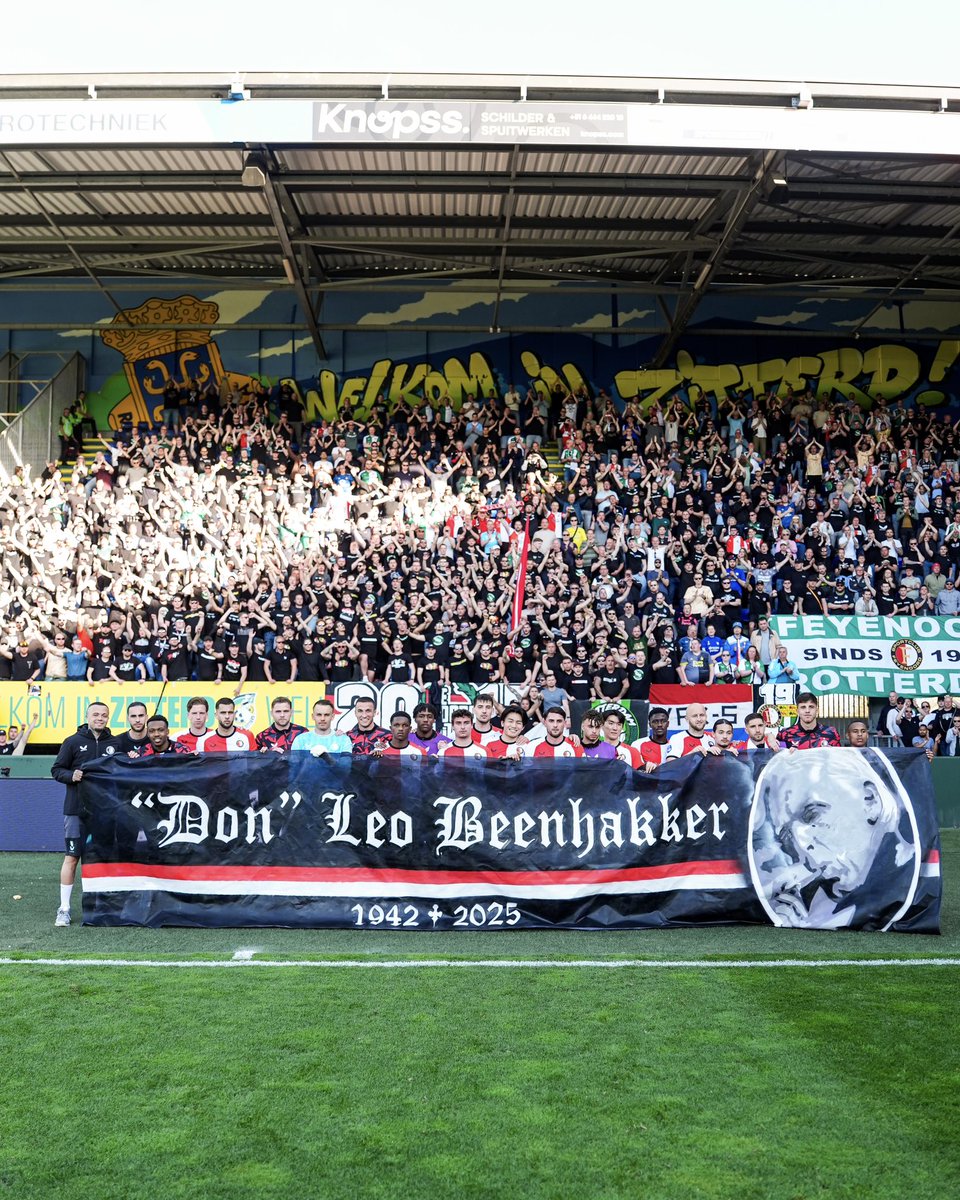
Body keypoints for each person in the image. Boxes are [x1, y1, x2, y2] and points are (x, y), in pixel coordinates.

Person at [751, 747, 918, 929]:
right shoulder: (814, 897)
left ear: (870, 800)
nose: (803, 846)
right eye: (788, 834)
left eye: (812, 816)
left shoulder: (914, 874)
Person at [50, 701, 115, 927]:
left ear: (108, 718)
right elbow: (56, 770)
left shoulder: (115, 743)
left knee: (103, 858)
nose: (100, 718)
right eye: (95, 714)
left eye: (104, 715)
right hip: (76, 811)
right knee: (72, 857)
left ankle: (102, 907)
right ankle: (64, 909)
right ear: (87, 716)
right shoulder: (73, 742)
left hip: (104, 813)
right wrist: (71, 776)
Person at [631, 706, 671, 772]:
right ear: (650, 724)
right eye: (655, 722)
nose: (659, 725)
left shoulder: (673, 746)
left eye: (663, 721)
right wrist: (645, 766)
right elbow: (633, 768)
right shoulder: (638, 744)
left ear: (668, 723)